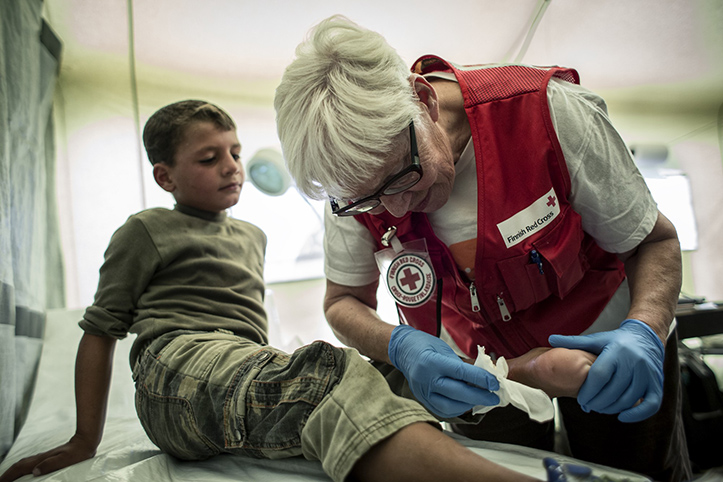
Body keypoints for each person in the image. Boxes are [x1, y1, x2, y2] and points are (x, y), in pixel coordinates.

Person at [0, 100, 599, 482]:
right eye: (210, 158)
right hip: (175, 364)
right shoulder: (146, 230)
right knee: (321, 376)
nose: (233, 166)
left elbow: (250, 354)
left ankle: (516, 375)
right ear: (165, 176)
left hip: (240, 362)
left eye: (235, 152)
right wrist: (85, 439)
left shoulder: (252, 234)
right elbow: (100, 332)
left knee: (394, 375)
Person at [274, 15, 691, 482]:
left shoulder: (548, 113)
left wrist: (646, 331)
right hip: (480, 373)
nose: (392, 207)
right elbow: (341, 301)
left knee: (637, 472)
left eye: (402, 177)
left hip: (605, 352)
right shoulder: (353, 185)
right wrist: (400, 345)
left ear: (425, 101)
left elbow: (654, 241)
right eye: (367, 200)